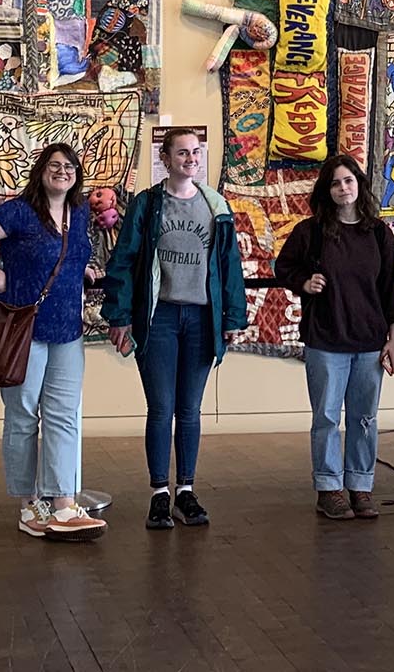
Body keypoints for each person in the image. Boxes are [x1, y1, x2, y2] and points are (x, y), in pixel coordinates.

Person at [0, 142, 106, 541]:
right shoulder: (20, 211)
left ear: (77, 174)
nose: (62, 172)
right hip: (24, 330)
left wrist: (82, 267)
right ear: (41, 171)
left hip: (67, 332)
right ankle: (28, 504)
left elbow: (67, 255)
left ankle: (64, 504)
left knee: (63, 416)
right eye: (54, 165)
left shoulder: (79, 212)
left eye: (69, 166)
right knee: (22, 418)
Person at [101, 127, 248, 531]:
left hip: (201, 320)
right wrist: (119, 315)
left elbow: (228, 268)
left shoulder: (216, 206)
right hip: (160, 318)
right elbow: (124, 260)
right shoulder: (147, 205)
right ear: (165, 159)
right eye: (181, 152)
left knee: (190, 410)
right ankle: (158, 495)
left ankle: (185, 490)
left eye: (195, 152)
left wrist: (233, 318)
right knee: (161, 408)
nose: (190, 158)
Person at [274, 153, 394, 521]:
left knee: (365, 417)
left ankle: (361, 486)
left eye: (348, 180)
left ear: (359, 185)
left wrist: (393, 339)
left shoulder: (379, 233)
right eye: (335, 182)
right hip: (326, 339)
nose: (343, 188)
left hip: (369, 341)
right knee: (327, 418)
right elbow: (283, 267)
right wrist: (303, 281)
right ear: (326, 190)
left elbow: (391, 290)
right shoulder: (310, 232)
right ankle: (329, 488)